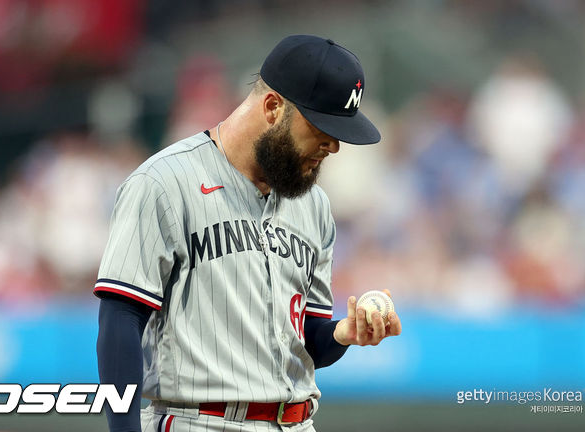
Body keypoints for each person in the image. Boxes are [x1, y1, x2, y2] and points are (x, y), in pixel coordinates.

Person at [95, 34, 402, 432]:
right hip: (200, 420)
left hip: (297, 422)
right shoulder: (163, 183)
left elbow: (308, 342)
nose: (333, 145)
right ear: (273, 107)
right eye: (321, 126)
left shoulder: (314, 205)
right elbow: (121, 318)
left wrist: (343, 333)